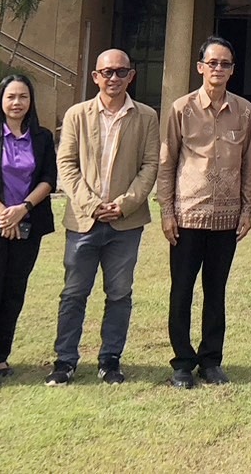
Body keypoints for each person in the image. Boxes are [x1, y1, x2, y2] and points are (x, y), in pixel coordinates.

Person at [47, 48, 160, 386]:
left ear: (131, 76)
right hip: (84, 221)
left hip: (126, 223)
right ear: (95, 77)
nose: (114, 78)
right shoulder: (77, 115)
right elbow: (66, 165)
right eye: (107, 72)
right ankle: (65, 361)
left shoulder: (146, 116)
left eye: (121, 72)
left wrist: (124, 203)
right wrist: (91, 204)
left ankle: (110, 359)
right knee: (74, 293)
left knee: (120, 293)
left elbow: (150, 165)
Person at [159, 36, 251, 389]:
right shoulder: (181, 109)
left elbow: (249, 163)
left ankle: (211, 360)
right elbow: (166, 162)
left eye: (225, 64)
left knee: (216, 292)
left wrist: (248, 209)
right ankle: (183, 363)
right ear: (200, 67)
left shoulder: (244, 111)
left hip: (227, 219)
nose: (218, 69)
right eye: (212, 63)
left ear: (232, 70)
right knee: (181, 291)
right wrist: (167, 213)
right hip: (187, 216)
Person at [0, 74, 57, 386]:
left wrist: (23, 210)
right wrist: (4, 213)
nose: (17, 103)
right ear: (1, 101)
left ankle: (0, 355)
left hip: (28, 224)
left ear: (31, 102)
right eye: (11, 97)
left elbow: (48, 179)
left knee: (14, 292)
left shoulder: (41, 138)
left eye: (23, 97)